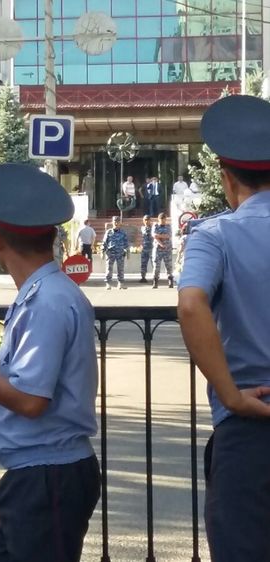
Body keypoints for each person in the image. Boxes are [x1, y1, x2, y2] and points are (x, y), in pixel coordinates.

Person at [0, 163, 100, 562]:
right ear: (52, 238)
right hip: (42, 475)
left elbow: (31, 401)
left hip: (48, 477)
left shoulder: (46, 302)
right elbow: (38, 378)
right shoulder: (46, 293)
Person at [179, 94, 270, 562]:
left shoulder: (215, 235)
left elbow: (191, 304)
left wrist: (231, 395)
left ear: (226, 178)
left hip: (248, 424)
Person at [101, 216, 129, 290]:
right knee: (109, 269)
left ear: (120, 222)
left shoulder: (123, 232)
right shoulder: (109, 232)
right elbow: (104, 242)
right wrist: (102, 251)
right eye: (115, 221)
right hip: (110, 253)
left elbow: (126, 243)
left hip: (120, 253)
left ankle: (120, 283)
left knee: (120, 269)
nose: (116, 223)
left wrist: (128, 252)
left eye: (118, 221)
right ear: (112, 222)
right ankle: (108, 283)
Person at [151, 212, 174, 288]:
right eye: (161, 220)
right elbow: (154, 235)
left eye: (164, 220)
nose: (163, 221)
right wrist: (161, 243)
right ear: (158, 219)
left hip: (167, 249)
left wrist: (159, 236)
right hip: (158, 249)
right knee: (156, 266)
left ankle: (170, 281)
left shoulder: (168, 226)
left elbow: (168, 236)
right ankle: (155, 282)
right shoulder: (155, 226)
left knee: (169, 266)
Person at [139, 214, 153, 283]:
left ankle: (155, 278)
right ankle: (143, 277)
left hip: (152, 248)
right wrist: (140, 245)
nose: (146, 221)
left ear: (150, 220)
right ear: (143, 221)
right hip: (144, 248)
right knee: (143, 264)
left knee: (154, 264)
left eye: (148, 220)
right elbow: (141, 237)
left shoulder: (154, 228)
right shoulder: (142, 228)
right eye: (145, 220)